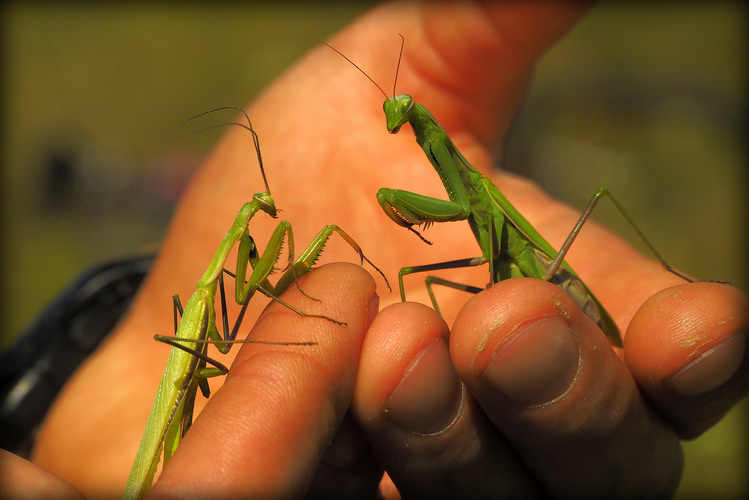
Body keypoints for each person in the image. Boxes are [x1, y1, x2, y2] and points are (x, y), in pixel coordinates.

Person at [3, 1, 746, 498]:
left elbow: (455, 206)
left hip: (547, 279)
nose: (396, 120)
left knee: (587, 215)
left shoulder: (441, 159)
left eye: (400, 113)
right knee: (427, 293)